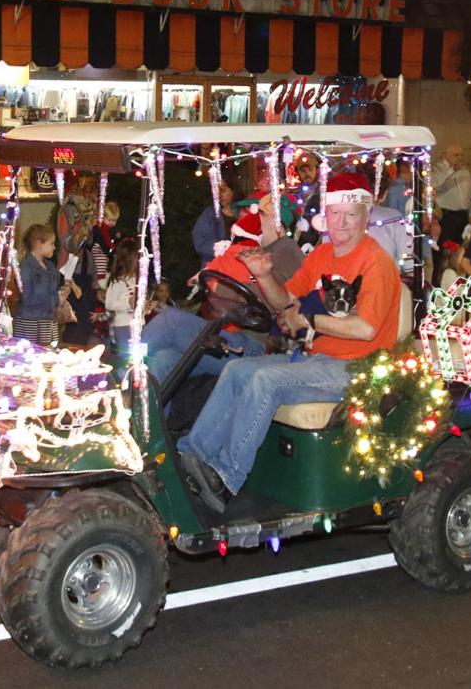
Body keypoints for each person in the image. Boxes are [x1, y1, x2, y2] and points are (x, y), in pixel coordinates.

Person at [178, 173, 402, 512]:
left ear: (364, 217)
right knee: (238, 370)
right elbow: (285, 302)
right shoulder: (323, 254)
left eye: (350, 215)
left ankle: (225, 477)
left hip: (357, 367)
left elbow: (366, 329)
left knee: (265, 381)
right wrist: (265, 275)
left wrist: (310, 320)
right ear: (325, 215)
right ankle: (192, 457)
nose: (340, 222)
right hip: (317, 360)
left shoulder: (376, 263)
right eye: (335, 213)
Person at [143, 192, 302, 386]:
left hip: (252, 345)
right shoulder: (263, 250)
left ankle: (118, 382)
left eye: (259, 215)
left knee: (169, 320)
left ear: (275, 221)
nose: (252, 219)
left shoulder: (285, 251)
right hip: (232, 335)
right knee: (163, 360)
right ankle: (144, 413)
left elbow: (262, 296)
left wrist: (215, 285)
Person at [12, 224, 69, 347]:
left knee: (49, 354)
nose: (54, 247)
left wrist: (60, 295)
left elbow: (52, 291)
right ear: (39, 244)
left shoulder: (50, 267)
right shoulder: (25, 268)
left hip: (47, 321)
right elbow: (27, 298)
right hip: (30, 322)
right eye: (52, 243)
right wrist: (54, 298)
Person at [55, 173, 95, 343]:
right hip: (71, 268)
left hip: (80, 265)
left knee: (82, 319)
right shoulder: (72, 209)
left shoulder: (81, 207)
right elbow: (68, 242)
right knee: (75, 320)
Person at [432, 145, 471, 284]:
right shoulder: (437, 169)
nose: (460, 158)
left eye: (461, 155)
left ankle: (456, 281)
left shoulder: (465, 171)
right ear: (445, 155)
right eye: (455, 155)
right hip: (447, 217)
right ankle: (438, 282)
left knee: (460, 250)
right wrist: (451, 170)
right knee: (445, 251)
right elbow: (435, 184)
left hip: (462, 216)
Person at [103, 238, 142, 351]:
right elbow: (109, 304)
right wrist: (128, 302)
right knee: (126, 357)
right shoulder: (118, 281)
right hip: (123, 326)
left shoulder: (136, 279)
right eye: (138, 258)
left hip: (138, 325)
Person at [192, 181, 235, 267]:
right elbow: (201, 241)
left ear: (234, 191)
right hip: (218, 267)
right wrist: (223, 249)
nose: (220, 195)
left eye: (223, 191)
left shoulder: (245, 212)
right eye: (216, 191)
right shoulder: (211, 213)